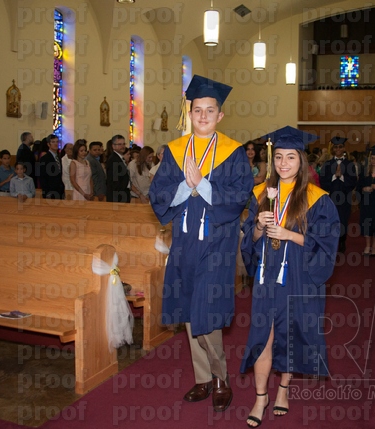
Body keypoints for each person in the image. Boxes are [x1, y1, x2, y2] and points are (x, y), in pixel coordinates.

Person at [149, 75, 254, 413]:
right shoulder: (176, 152)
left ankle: (220, 377)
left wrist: (204, 186)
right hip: (183, 241)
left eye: (211, 110)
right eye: (198, 110)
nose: (204, 116)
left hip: (217, 244)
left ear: (220, 116)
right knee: (190, 311)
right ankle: (203, 377)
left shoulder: (233, 153)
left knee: (205, 309)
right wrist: (187, 187)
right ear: (190, 113)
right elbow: (159, 193)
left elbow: (240, 197)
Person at [240, 127, 339, 427]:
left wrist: (290, 235)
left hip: (299, 276)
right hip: (265, 278)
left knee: (290, 334)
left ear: (302, 161)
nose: (284, 163)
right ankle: (261, 397)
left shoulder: (318, 199)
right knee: (262, 338)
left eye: (291, 157)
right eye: (279, 157)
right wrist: (257, 226)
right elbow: (248, 241)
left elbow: (327, 243)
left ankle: (283, 389)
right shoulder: (260, 194)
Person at [319, 136, 357, 253]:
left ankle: (342, 241)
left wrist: (342, 177)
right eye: (336, 147)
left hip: (345, 198)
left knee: (343, 220)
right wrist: (334, 177)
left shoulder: (349, 164)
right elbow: (323, 181)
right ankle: (332, 242)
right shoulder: (327, 164)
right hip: (331, 197)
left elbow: (353, 181)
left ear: (344, 148)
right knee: (331, 220)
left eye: (340, 147)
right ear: (333, 149)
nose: (338, 149)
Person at [105, 134, 131, 202]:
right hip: (118, 196)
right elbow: (114, 182)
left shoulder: (119, 158)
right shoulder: (114, 160)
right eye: (119, 144)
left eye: (123, 144)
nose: (122, 146)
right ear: (113, 146)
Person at [38, 134, 65, 199]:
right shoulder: (44, 158)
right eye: (53, 142)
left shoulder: (58, 157)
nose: (56, 144)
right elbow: (42, 177)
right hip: (50, 191)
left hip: (59, 190)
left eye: (57, 142)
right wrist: (46, 192)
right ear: (48, 144)